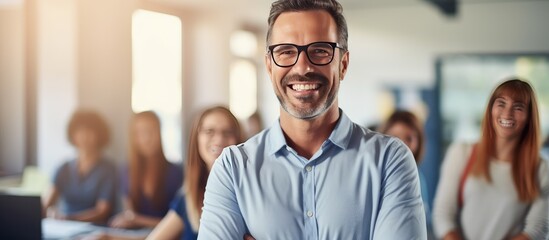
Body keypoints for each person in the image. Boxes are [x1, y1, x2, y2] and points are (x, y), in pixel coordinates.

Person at [197, 0, 427, 239]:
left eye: (320, 50)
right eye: (286, 51)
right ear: (269, 66)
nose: (302, 67)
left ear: (343, 64)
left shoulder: (390, 160)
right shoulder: (233, 168)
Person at [432, 78, 549, 240]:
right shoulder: (462, 153)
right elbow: (443, 215)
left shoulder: (541, 169)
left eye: (518, 107)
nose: (507, 113)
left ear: (530, 117)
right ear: (491, 109)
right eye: (501, 103)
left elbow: (537, 229)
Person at [146, 106, 242, 240]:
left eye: (227, 132)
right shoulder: (189, 196)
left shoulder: (248, 193)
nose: (219, 139)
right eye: (209, 131)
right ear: (196, 138)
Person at [109, 111, 182, 229]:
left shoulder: (175, 173)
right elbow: (129, 215)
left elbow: (178, 224)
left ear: (159, 133)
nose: (146, 138)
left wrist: (136, 220)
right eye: (139, 133)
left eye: (151, 131)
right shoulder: (125, 171)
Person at [42, 109, 117, 224]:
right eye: (80, 131)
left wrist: (70, 219)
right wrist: (51, 213)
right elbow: (46, 204)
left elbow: (102, 211)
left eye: (90, 131)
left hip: (95, 229)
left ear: (99, 135)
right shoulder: (63, 168)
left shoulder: (108, 169)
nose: (84, 136)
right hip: (64, 228)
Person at [378, 110, 431, 227]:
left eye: (409, 139)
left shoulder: (418, 179)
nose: (402, 146)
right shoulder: (374, 176)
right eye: (395, 138)